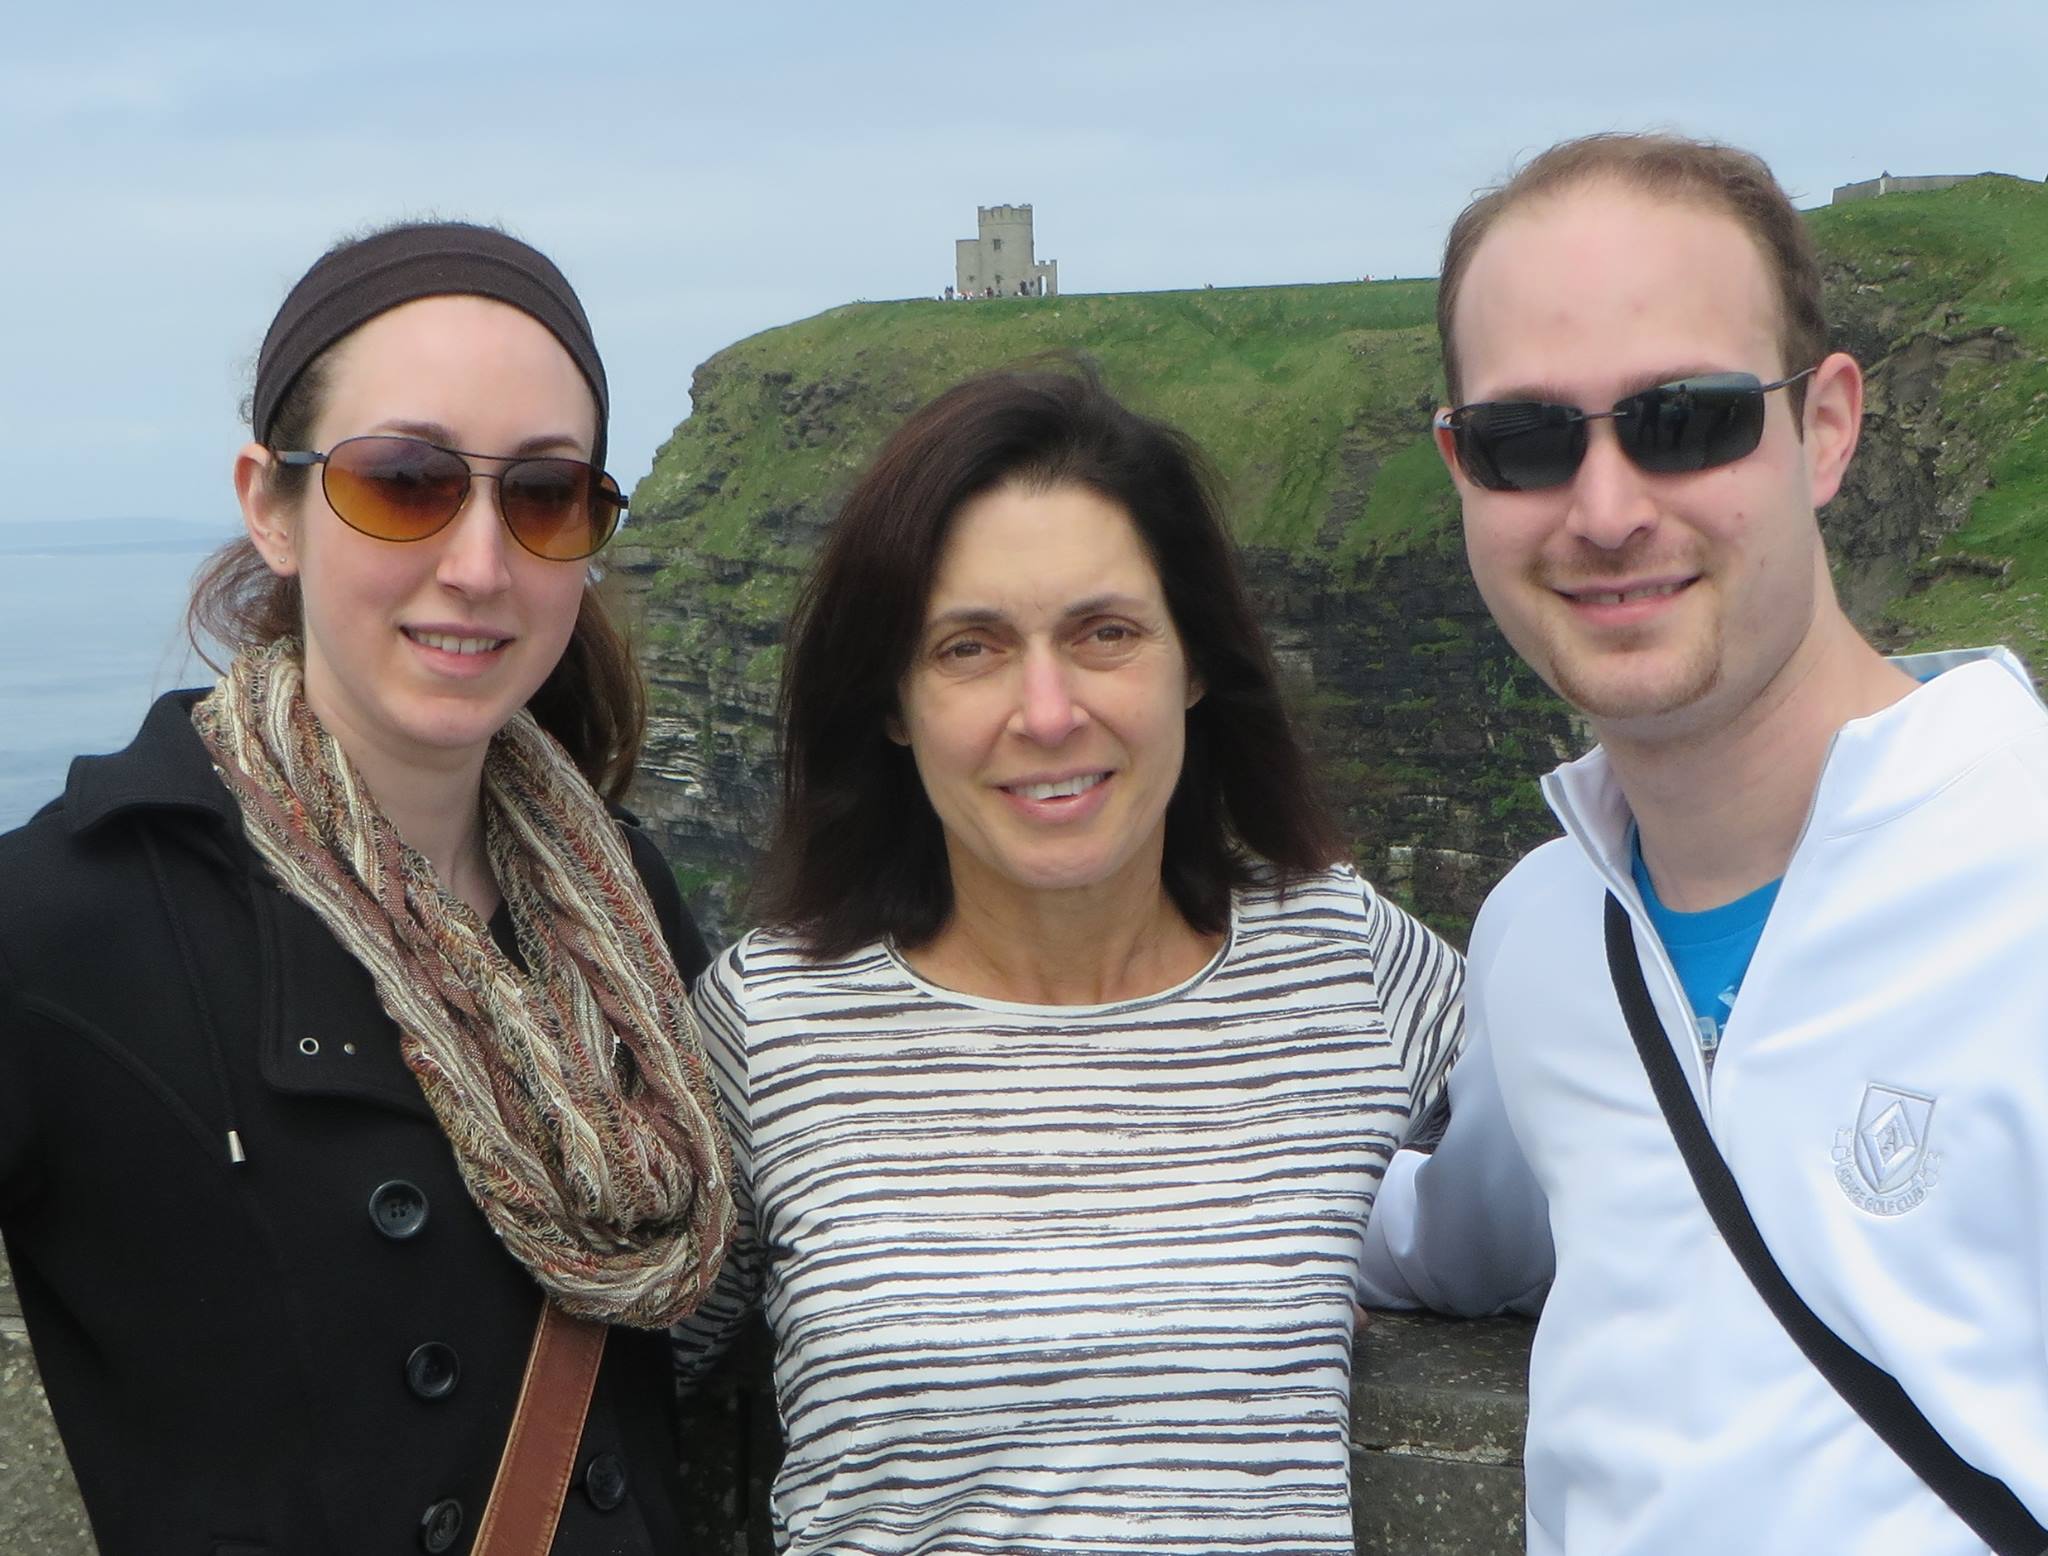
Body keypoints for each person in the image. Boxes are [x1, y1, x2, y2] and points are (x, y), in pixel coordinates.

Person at [0, 222, 736, 1555]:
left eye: (547, 495)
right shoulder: (76, 924)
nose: (478, 564)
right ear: (270, 504)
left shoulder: (618, 900)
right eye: (406, 482)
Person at [1360, 132, 2048, 1553]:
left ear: (1830, 428)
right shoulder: (1544, 933)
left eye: (1685, 420)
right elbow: (1456, 1230)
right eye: (1526, 441)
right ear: (1459, 467)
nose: (1607, 511)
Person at [672, 365, 1465, 1554]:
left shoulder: (1342, 957)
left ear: (1194, 662)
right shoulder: (771, 1017)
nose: (1045, 711)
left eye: (1104, 634)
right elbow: (623, 1364)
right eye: (968, 648)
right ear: (890, 701)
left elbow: (1612, 1191)